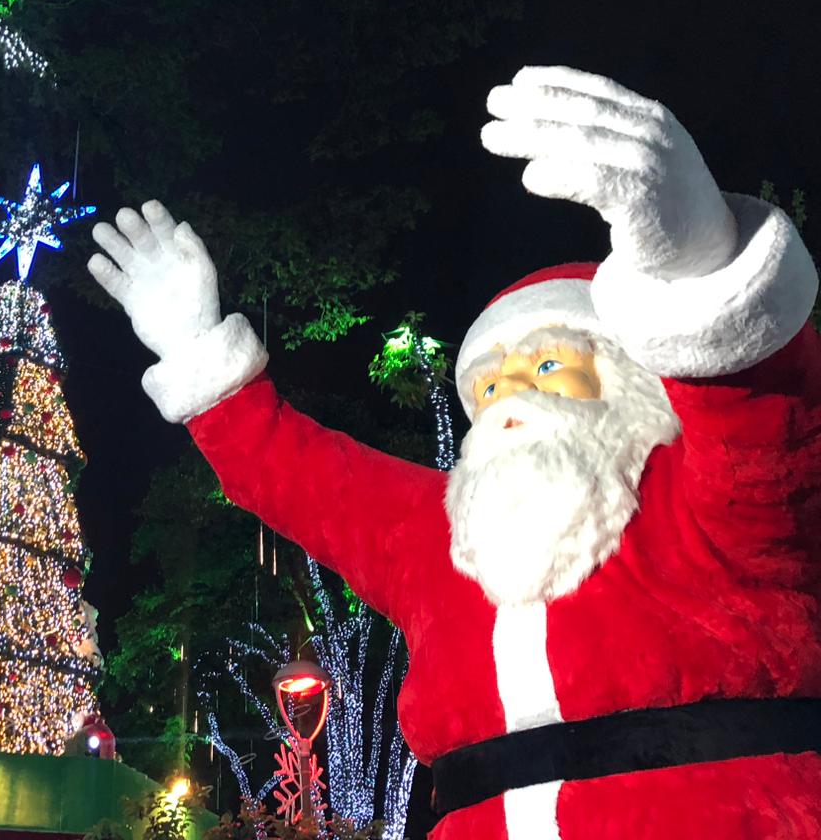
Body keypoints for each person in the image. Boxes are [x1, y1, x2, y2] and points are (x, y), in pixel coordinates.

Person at [87, 67, 821, 839]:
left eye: (545, 365)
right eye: (491, 384)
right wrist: (202, 355)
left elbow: (767, 419)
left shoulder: (705, 499)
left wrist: (699, 267)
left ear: (629, 387)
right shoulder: (441, 540)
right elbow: (300, 476)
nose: (509, 397)